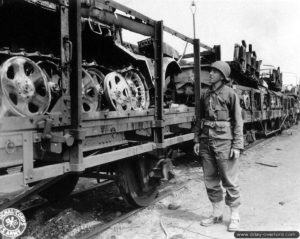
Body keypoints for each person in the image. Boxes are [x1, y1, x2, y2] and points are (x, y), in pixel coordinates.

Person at [193, 61, 244, 232]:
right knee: (210, 179)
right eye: (211, 70)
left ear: (222, 75)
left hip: (224, 142)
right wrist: (196, 140)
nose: (211, 74)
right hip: (206, 141)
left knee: (229, 180)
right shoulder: (205, 95)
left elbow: (238, 122)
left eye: (215, 71)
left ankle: (235, 216)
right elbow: (198, 119)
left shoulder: (230, 94)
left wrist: (237, 146)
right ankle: (216, 214)